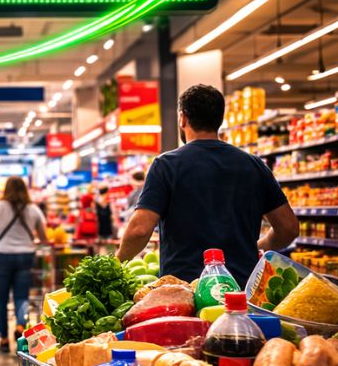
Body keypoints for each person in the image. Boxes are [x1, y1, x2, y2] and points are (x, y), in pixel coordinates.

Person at [117, 85, 299, 283]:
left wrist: (117, 264)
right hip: (241, 290)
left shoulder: (167, 165)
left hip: (185, 290)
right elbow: (288, 228)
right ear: (219, 119)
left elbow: (139, 230)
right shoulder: (254, 165)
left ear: (183, 118)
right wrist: (261, 244)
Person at [0, 176, 48, 353]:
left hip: (1, 255)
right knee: (21, 296)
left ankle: (3, 339)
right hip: (25, 255)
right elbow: (43, 236)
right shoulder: (33, 209)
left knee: (1, 299)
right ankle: (20, 327)